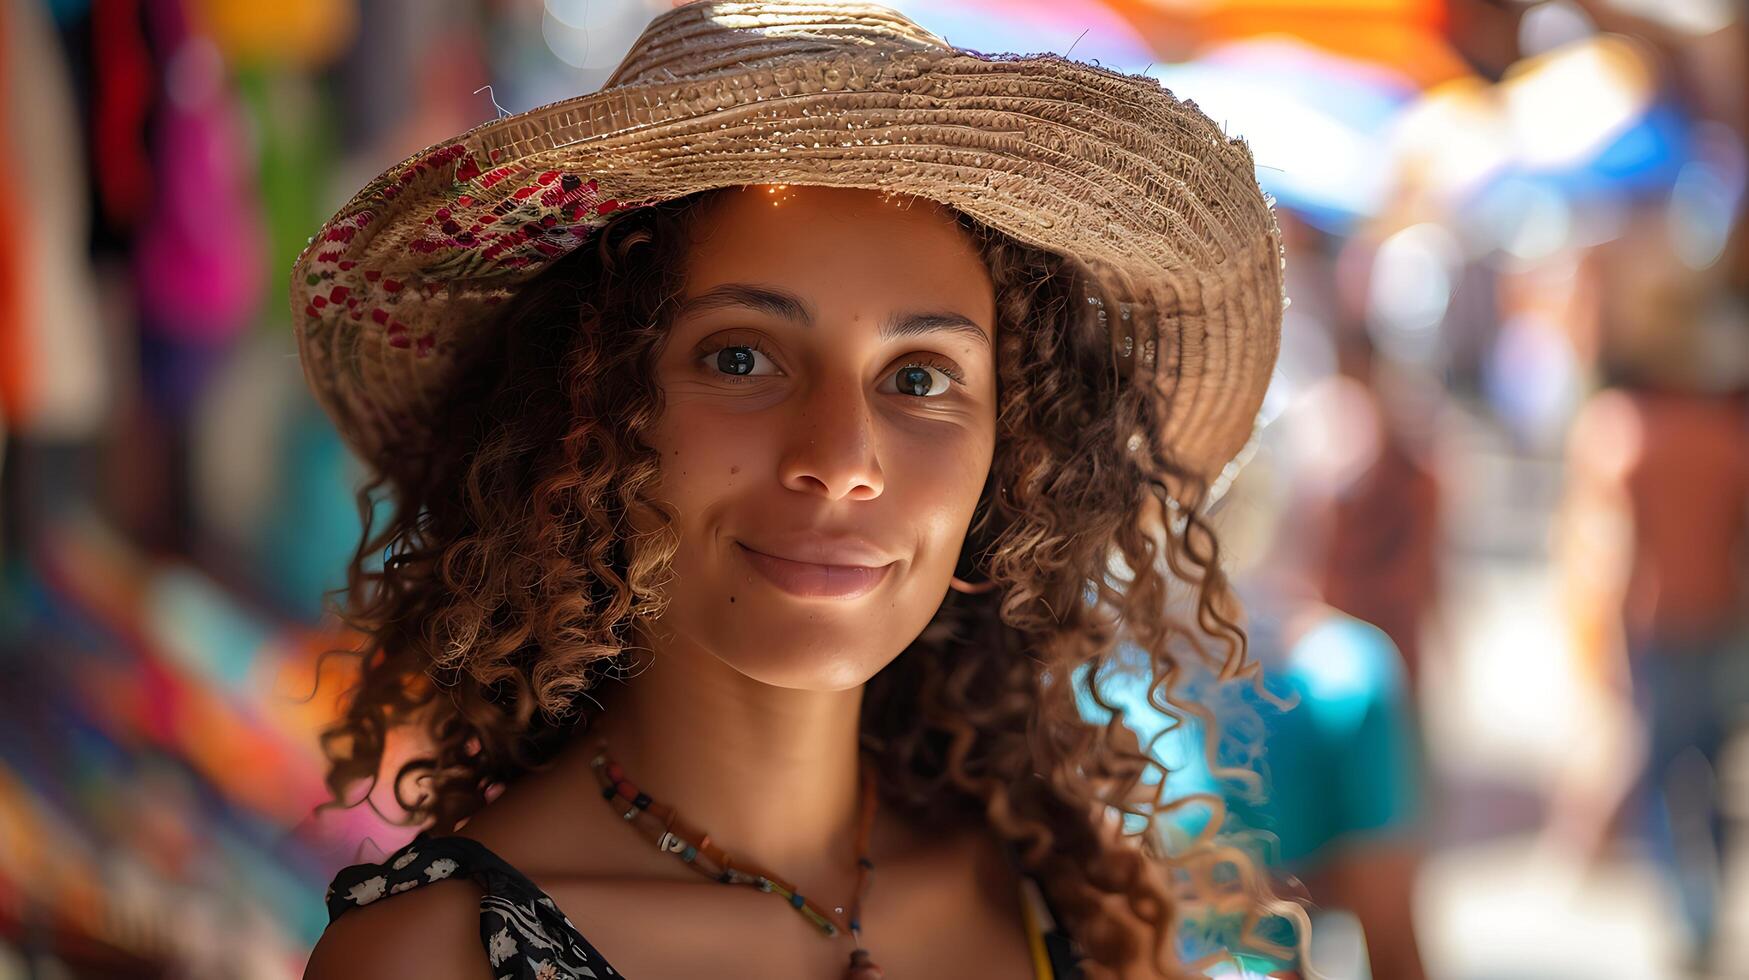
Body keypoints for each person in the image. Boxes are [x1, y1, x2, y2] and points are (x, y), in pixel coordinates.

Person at [294, 3, 1299, 978]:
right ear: (583, 407)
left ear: (1018, 459)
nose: (842, 454)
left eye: (919, 377)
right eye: (740, 358)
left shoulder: (1075, 905)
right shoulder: (431, 959)